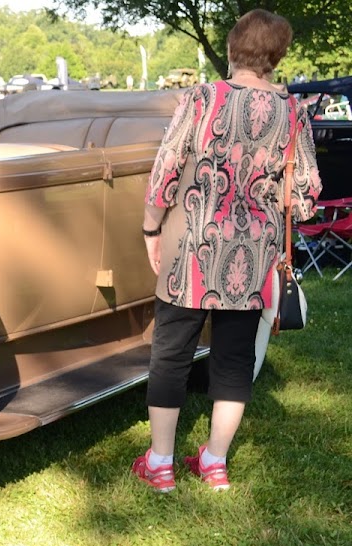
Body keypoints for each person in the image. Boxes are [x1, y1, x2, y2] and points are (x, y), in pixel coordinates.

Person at [133, 8, 322, 492]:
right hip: (253, 259)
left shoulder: (201, 98)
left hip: (191, 249)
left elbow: (166, 170)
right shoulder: (293, 112)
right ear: (276, 57)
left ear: (235, 48)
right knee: (235, 360)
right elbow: (306, 195)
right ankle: (214, 462)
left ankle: (161, 464)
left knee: (171, 355)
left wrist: (151, 229)